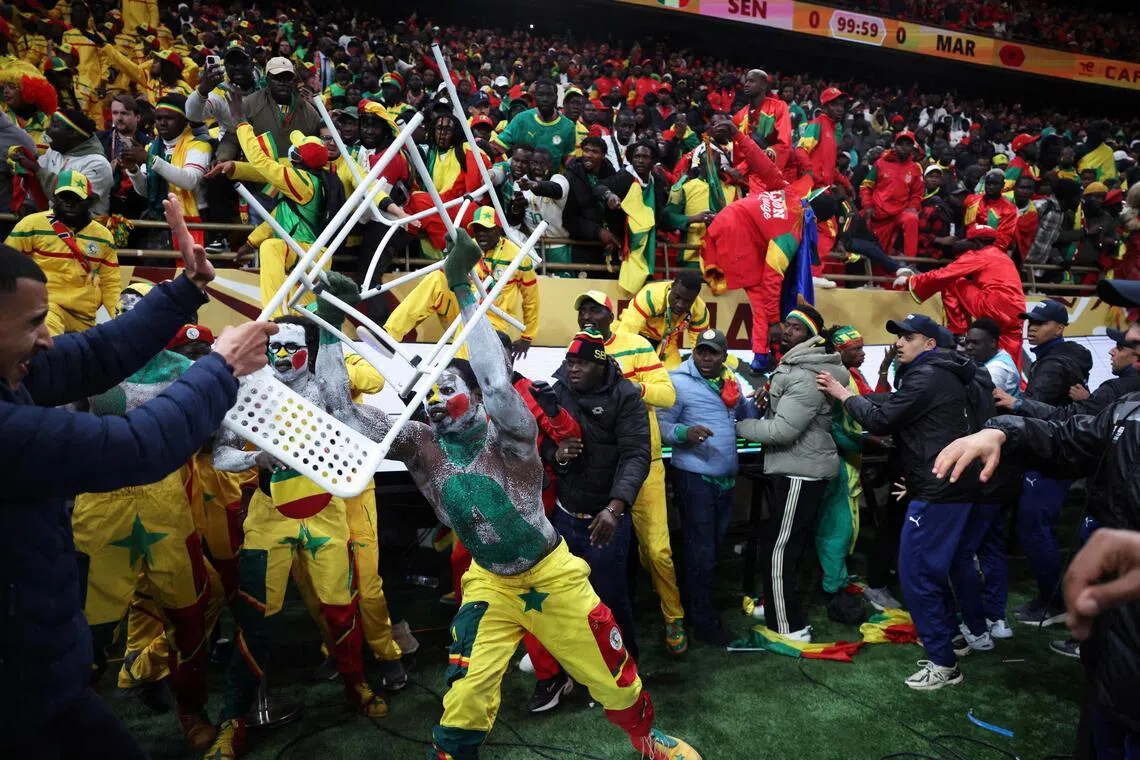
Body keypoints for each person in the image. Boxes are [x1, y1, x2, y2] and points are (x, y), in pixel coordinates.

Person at [326, 234, 701, 760]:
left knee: (612, 674)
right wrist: (325, 330)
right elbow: (341, 415)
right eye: (429, 395)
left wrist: (462, 289)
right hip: (489, 582)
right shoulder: (420, 445)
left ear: (476, 396)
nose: (436, 402)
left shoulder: (509, 434)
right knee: (465, 694)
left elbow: (500, 385)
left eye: (448, 390)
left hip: (552, 574)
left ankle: (646, 739)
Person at [2, 195, 275, 759]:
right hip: (22, 687)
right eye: (33, 324)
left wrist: (184, 290)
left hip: (43, 666)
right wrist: (221, 367)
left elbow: (91, 355)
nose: (47, 338)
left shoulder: (11, 369)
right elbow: (135, 446)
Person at [206, 305, 391, 760]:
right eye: (275, 347)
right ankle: (233, 720)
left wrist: (330, 320)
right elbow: (220, 455)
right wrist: (254, 458)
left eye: (292, 347)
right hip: (268, 514)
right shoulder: (249, 388)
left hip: (327, 512)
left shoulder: (327, 389)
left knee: (340, 608)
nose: (283, 355)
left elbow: (347, 410)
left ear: (308, 349)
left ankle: (355, 683)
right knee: (255, 618)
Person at [817, 313, 980, 689]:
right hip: (948, 484)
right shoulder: (944, 372)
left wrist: (843, 394)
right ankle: (953, 638)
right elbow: (896, 402)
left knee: (916, 573)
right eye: (899, 336)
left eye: (909, 337)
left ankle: (943, 663)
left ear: (930, 344)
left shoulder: (927, 375)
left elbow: (882, 419)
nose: (899, 343)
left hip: (938, 489)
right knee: (936, 569)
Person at [576, 290, 687, 653]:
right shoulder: (577, 351)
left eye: (595, 310)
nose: (588, 316)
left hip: (645, 464)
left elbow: (667, 395)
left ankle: (673, 616)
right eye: (583, 310)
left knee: (657, 551)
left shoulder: (636, 345)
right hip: (601, 470)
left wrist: (630, 386)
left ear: (611, 315)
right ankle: (602, 624)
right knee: (599, 554)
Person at [737, 304, 848, 642]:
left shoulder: (805, 374)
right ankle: (775, 603)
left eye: (796, 327)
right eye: (786, 324)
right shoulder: (798, 367)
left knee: (780, 549)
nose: (786, 330)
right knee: (784, 544)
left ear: (811, 336)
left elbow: (783, 431)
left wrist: (738, 425)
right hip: (799, 465)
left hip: (801, 469)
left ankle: (789, 625)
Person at [659, 328, 758, 644]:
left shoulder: (730, 380)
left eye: (712, 352)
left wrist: (757, 404)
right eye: (701, 351)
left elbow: (746, 415)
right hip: (694, 477)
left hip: (725, 479)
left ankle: (694, 609)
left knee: (711, 548)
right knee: (701, 550)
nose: (705, 357)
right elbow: (660, 425)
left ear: (723, 356)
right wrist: (683, 433)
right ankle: (703, 621)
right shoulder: (677, 381)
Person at [1013, 299, 1093, 627]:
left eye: (1040, 323)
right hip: (1060, 454)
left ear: (1059, 328)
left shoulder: (1053, 364)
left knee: (1035, 528)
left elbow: (1035, 407)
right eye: (1030, 321)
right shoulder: (1059, 357)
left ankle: (1053, 601)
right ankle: (1054, 597)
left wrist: (1014, 402)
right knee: (1039, 527)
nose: (1031, 328)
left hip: (1050, 456)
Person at [383, 207, 539, 359]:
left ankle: (458, 368)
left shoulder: (518, 257)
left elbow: (531, 299)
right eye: (477, 229)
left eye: (487, 229)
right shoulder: (466, 248)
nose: (481, 234)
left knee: (472, 325)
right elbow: (447, 277)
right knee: (436, 278)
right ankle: (389, 336)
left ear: (499, 229)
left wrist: (527, 336)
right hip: (461, 310)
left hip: (493, 323)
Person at [4, 169, 118, 335]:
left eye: (77, 198)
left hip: (85, 316)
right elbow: (6, 265)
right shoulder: (31, 225)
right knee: (51, 339)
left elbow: (110, 282)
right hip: (46, 307)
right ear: (55, 198)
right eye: (64, 197)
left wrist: (122, 319)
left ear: (89, 201)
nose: (70, 203)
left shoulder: (103, 236)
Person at [898, 225, 1026, 367]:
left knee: (951, 281)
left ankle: (959, 334)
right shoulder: (1004, 257)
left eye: (967, 240)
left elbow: (944, 274)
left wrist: (911, 281)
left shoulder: (978, 255)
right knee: (1011, 359)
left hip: (993, 308)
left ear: (976, 242)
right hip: (1018, 313)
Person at [123, 92, 211, 246]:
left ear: (184, 119)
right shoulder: (151, 147)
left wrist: (150, 160)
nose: (162, 123)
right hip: (159, 220)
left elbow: (189, 181)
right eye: (158, 118)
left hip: (192, 220)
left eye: (169, 118)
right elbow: (146, 191)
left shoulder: (198, 145)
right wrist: (132, 169)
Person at [215, 57, 322, 163]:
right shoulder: (250, 104)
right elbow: (231, 139)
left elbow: (319, 145)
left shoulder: (309, 112)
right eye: (277, 78)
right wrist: (222, 159)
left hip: (295, 172)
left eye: (287, 78)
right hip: (257, 171)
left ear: (294, 81)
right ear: (267, 80)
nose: (282, 82)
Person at [25, 108, 113, 218]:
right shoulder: (53, 151)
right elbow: (35, 179)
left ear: (72, 133)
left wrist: (37, 170)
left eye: (54, 125)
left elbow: (73, 201)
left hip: (87, 225)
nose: (47, 128)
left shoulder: (97, 163)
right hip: (52, 221)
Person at [616, 270, 711, 371]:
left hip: (667, 343)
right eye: (677, 297)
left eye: (687, 301)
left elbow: (701, 346)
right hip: (638, 335)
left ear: (695, 298)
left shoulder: (700, 310)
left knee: (674, 373)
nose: (680, 304)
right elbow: (628, 331)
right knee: (627, 367)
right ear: (671, 287)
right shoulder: (651, 295)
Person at [860, 130, 923, 260]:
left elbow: (917, 194)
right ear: (894, 145)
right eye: (900, 143)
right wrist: (868, 205)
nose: (904, 147)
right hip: (878, 213)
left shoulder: (915, 168)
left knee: (911, 218)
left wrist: (913, 206)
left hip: (899, 213)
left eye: (908, 144)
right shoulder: (880, 163)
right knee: (875, 253)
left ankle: (910, 261)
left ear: (912, 147)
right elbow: (866, 186)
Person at [494, 78, 577, 168]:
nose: (545, 99)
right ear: (535, 97)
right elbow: (497, 147)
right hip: (522, 175)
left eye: (549, 95)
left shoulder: (568, 126)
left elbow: (569, 161)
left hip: (552, 176)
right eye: (541, 95)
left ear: (556, 98)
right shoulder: (521, 120)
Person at [732, 68, 791, 179]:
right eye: (746, 81)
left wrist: (764, 155)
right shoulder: (738, 117)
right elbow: (739, 153)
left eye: (751, 81)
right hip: (745, 177)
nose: (746, 84)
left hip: (770, 173)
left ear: (764, 85)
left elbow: (784, 144)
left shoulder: (779, 107)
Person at [795, 87, 847, 190]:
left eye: (841, 105)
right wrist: (809, 172)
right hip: (814, 188)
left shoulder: (832, 129)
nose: (840, 109)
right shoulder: (817, 124)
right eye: (835, 105)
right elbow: (801, 150)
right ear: (825, 107)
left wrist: (846, 183)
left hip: (824, 188)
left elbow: (828, 166)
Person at [962, 317, 1021, 397]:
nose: (969, 347)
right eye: (967, 342)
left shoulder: (998, 369)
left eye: (975, 343)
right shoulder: (996, 356)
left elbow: (979, 398)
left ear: (993, 343)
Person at [963, 170, 1018, 252]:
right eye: (988, 183)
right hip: (968, 244)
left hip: (993, 249)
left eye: (995, 184)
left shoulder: (1009, 209)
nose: (991, 187)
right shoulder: (971, 200)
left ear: (1003, 185)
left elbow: (1004, 237)